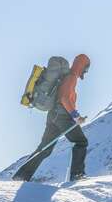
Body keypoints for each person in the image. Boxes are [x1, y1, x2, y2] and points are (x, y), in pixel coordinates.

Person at [14, 54, 91, 182]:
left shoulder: (67, 77)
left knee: (45, 148)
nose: (85, 72)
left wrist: (76, 114)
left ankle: (21, 176)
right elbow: (64, 98)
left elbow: (64, 98)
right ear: (82, 66)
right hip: (62, 117)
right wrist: (76, 116)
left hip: (53, 115)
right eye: (86, 69)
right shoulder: (71, 78)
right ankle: (77, 175)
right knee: (81, 142)